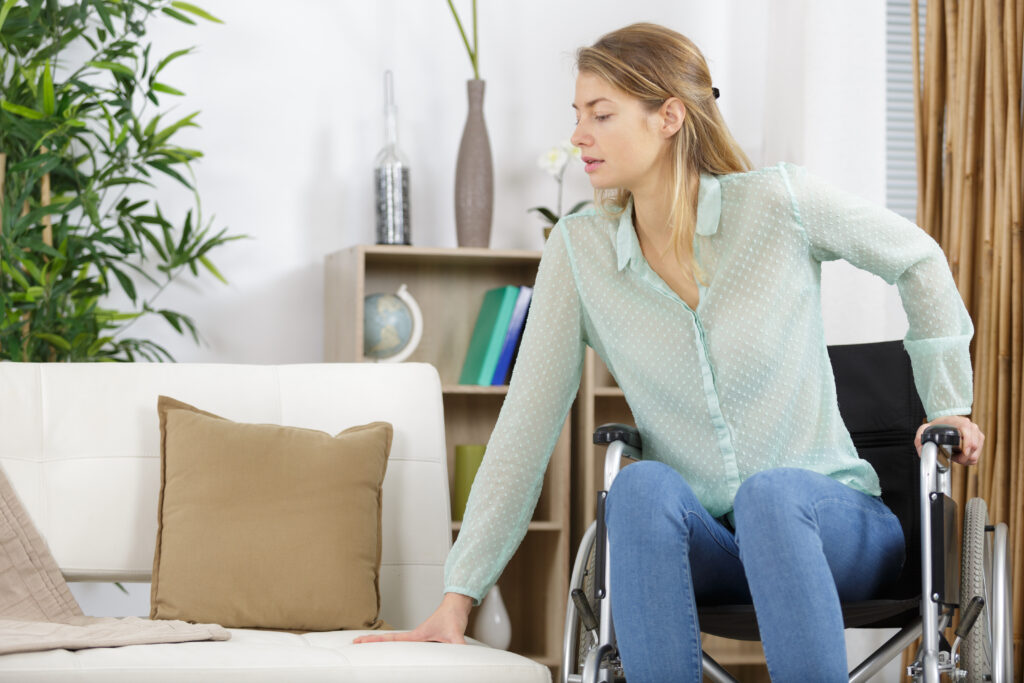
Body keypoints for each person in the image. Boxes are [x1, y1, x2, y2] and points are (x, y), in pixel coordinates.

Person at [354, 22, 985, 682]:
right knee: (637, 486)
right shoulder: (580, 252)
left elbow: (918, 259)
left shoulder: (778, 202)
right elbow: (524, 427)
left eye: (601, 114)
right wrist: (458, 598)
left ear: (670, 117)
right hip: (716, 546)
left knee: (771, 497)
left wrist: (949, 401)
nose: (579, 134)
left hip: (839, 533)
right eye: (577, 115)